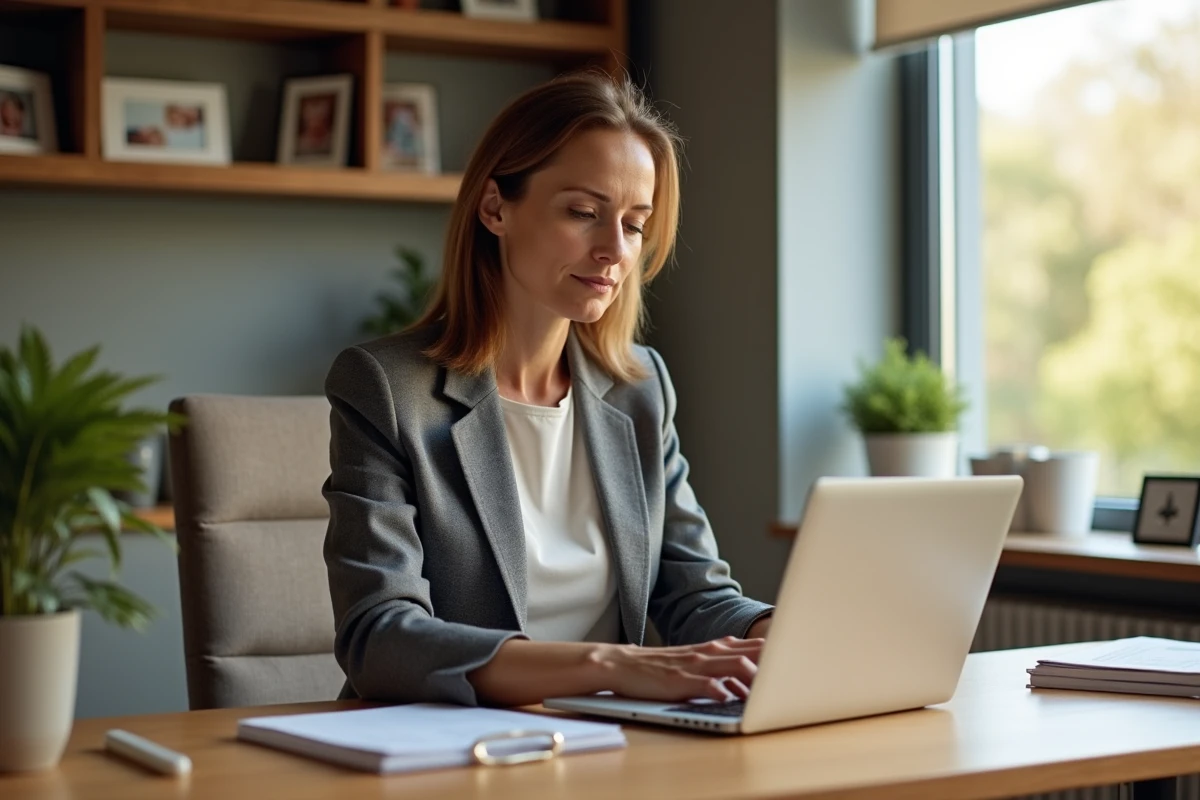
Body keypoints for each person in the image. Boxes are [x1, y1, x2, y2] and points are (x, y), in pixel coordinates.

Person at [323, 70, 773, 709]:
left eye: (635, 224)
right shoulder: (387, 388)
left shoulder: (639, 389)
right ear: (495, 208)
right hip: (449, 749)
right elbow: (380, 636)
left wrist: (777, 634)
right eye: (583, 213)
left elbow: (692, 593)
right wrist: (611, 666)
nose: (614, 250)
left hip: (611, 745)